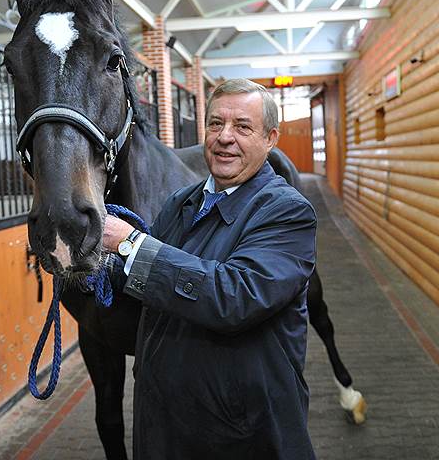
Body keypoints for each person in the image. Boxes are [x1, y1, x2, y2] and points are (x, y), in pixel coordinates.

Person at [102, 78, 317, 459]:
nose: (224, 137)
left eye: (242, 127)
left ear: (271, 139)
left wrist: (131, 244)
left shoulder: (286, 212)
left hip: (238, 434)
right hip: (164, 424)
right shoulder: (180, 203)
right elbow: (152, 283)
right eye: (215, 124)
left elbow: (235, 297)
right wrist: (97, 262)